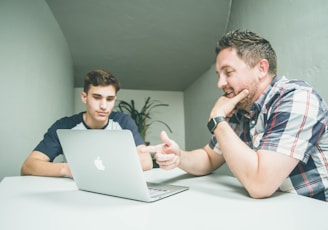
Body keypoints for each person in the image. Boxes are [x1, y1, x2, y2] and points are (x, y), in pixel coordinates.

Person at [143, 30, 328, 201]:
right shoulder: (240, 110)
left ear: (261, 68)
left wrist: (217, 118)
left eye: (228, 72)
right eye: (219, 75)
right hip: (275, 210)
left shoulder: (298, 98)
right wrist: (179, 157)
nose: (220, 83)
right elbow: (208, 158)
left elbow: (260, 185)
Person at [21, 69, 153, 178]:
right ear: (84, 97)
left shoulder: (123, 122)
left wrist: (102, 168)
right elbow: (28, 166)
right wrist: (68, 169)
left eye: (110, 99)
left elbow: (146, 161)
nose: (103, 106)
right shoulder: (64, 126)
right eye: (97, 97)